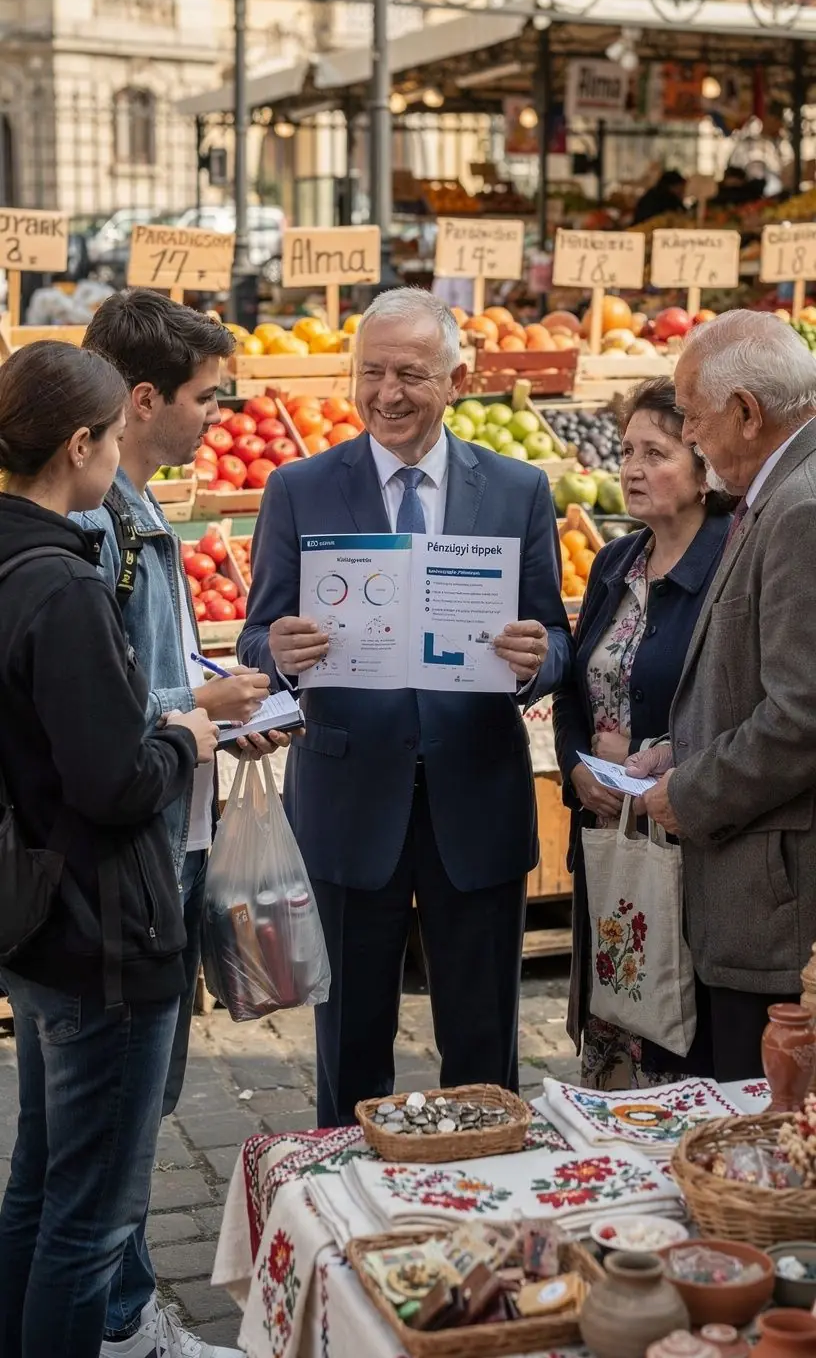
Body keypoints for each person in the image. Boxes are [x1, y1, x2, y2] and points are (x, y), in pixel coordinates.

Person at [239, 287, 572, 1127]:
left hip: (477, 801)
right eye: (371, 372)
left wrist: (536, 661)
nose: (386, 393)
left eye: (411, 375)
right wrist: (277, 654)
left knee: (484, 1050)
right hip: (350, 805)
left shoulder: (517, 488)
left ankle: (485, 1208)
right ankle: (348, 1228)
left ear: (457, 379)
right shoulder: (299, 487)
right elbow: (252, 640)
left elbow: (556, 639)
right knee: (349, 1050)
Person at [75, 288, 291, 1358]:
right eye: (211, 395)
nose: (223, 411)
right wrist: (201, 711)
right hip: (128, 866)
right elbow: (96, 715)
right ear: (145, 397)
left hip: (166, 838)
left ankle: (117, 1306)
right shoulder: (95, 523)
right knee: (114, 1125)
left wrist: (210, 708)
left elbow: (144, 680)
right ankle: (117, 1321)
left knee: (131, 1116)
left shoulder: (138, 509)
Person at [0, 342, 219, 1358]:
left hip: (35, 913)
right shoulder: (64, 586)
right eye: (116, 440)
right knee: (87, 1221)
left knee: (40, 1188)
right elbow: (114, 782)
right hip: (101, 930)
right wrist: (185, 737)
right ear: (81, 443)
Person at [628, 310, 816, 1081]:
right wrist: (686, 746)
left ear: (746, 413)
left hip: (774, 899)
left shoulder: (800, 508)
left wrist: (693, 788)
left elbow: (801, 716)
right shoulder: (782, 494)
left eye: (696, 419)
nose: (693, 437)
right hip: (757, 893)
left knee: (756, 1116)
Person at [553, 378, 733, 1089]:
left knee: (682, 1045)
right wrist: (576, 770)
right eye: (626, 450)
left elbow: (735, 705)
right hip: (610, 845)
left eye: (654, 452)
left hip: (690, 854)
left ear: (705, 469)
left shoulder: (729, 568)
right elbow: (573, 684)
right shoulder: (613, 563)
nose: (630, 467)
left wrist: (655, 758)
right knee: (618, 1019)